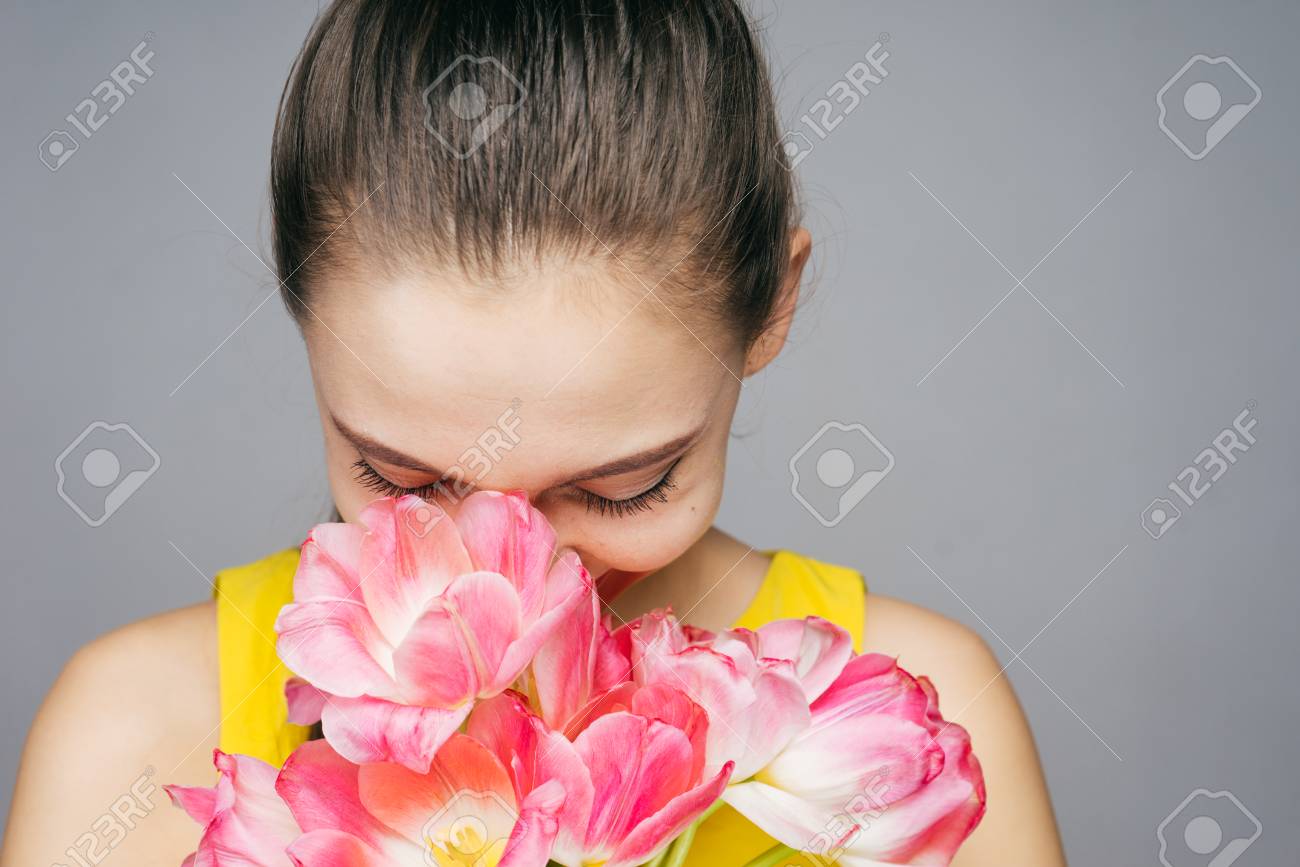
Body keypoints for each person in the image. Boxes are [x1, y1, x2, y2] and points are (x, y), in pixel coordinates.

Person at [2, 2, 1066, 864]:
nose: (522, 594)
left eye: (623, 485)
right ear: (301, 317)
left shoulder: (916, 725)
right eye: (403, 482)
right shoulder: (133, 729)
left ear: (772, 307)